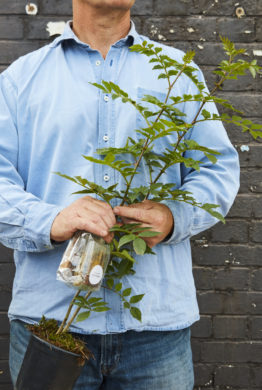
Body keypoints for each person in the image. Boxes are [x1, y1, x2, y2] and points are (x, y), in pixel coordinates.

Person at [0, 0, 240, 389]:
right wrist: (51, 220)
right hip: (51, 324)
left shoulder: (178, 74)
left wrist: (173, 215)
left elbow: (218, 170)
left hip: (155, 329)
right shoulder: (21, 81)